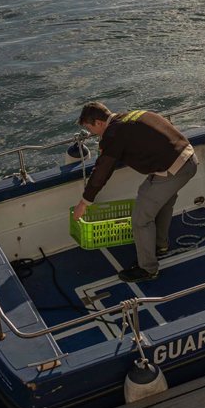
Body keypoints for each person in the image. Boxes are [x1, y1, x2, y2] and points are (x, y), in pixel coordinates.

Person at [73, 102, 197, 283]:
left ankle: (148, 269)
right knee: (161, 202)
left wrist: (84, 202)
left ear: (99, 123)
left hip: (173, 170)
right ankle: (159, 246)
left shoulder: (113, 134)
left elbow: (102, 170)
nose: (92, 134)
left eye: (90, 129)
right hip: (188, 159)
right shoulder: (135, 114)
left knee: (140, 220)